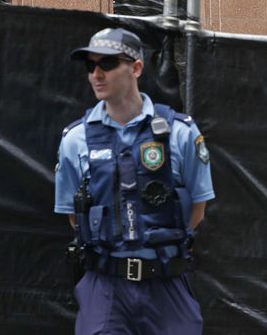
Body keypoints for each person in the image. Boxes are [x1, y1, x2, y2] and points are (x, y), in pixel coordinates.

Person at [54, 27, 214, 335]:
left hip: (166, 284)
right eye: (90, 66)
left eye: (108, 64)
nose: (96, 74)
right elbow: (75, 217)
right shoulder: (76, 139)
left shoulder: (179, 133)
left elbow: (198, 207)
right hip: (105, 286)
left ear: (136, 67)